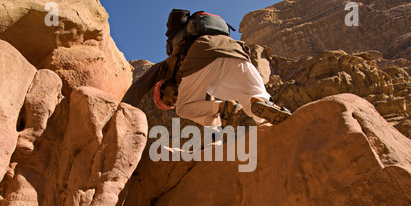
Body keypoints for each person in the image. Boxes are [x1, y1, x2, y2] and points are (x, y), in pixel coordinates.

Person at [122, 11, 291, 128]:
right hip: (236, 52)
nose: (174, 100)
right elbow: (206, 103)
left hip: (201, 55)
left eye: (168, 99)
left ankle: (226, 108)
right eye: (172, 103)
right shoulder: (199, 86)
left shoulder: (166, 69)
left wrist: (123, 108)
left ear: (163, 88)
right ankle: (263, 104)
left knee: (184, 109)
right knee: (251, 100)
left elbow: (141, 85)